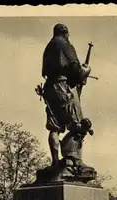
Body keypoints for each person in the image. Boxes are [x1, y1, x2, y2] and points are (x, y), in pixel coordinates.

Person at [41, 23, 91, 166]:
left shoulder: (48, 47)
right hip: (64, 88)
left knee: (54, 128)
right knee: (78, 124)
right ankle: (73, 160)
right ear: (65, 33)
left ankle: (55, 161)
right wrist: (86, 71)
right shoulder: (65, 45)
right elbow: (75, 70)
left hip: (49, 89)